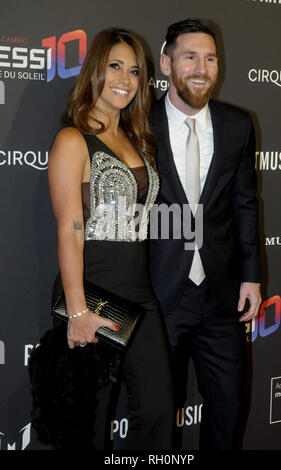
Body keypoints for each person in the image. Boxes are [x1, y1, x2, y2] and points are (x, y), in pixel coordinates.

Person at [45, 28, 174, 450]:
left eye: (134, 70)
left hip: (140, 295)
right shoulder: (72, 139)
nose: (125, 78)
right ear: (95, 70)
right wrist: (78, 310)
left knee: (157, 416)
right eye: (115, 66)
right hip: (93, 294)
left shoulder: (138, 140)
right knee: (90, 425)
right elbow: (69, 229)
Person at [149, 18, 262, 450]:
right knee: (159, 417)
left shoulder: (238, 124)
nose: (202, 67)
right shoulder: (138, 124)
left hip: (223, 296)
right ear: (166, 63)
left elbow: (245, 205)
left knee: (229, 411)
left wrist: (252, 276)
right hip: (160, 296)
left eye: (211, 58)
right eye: (190, 56)